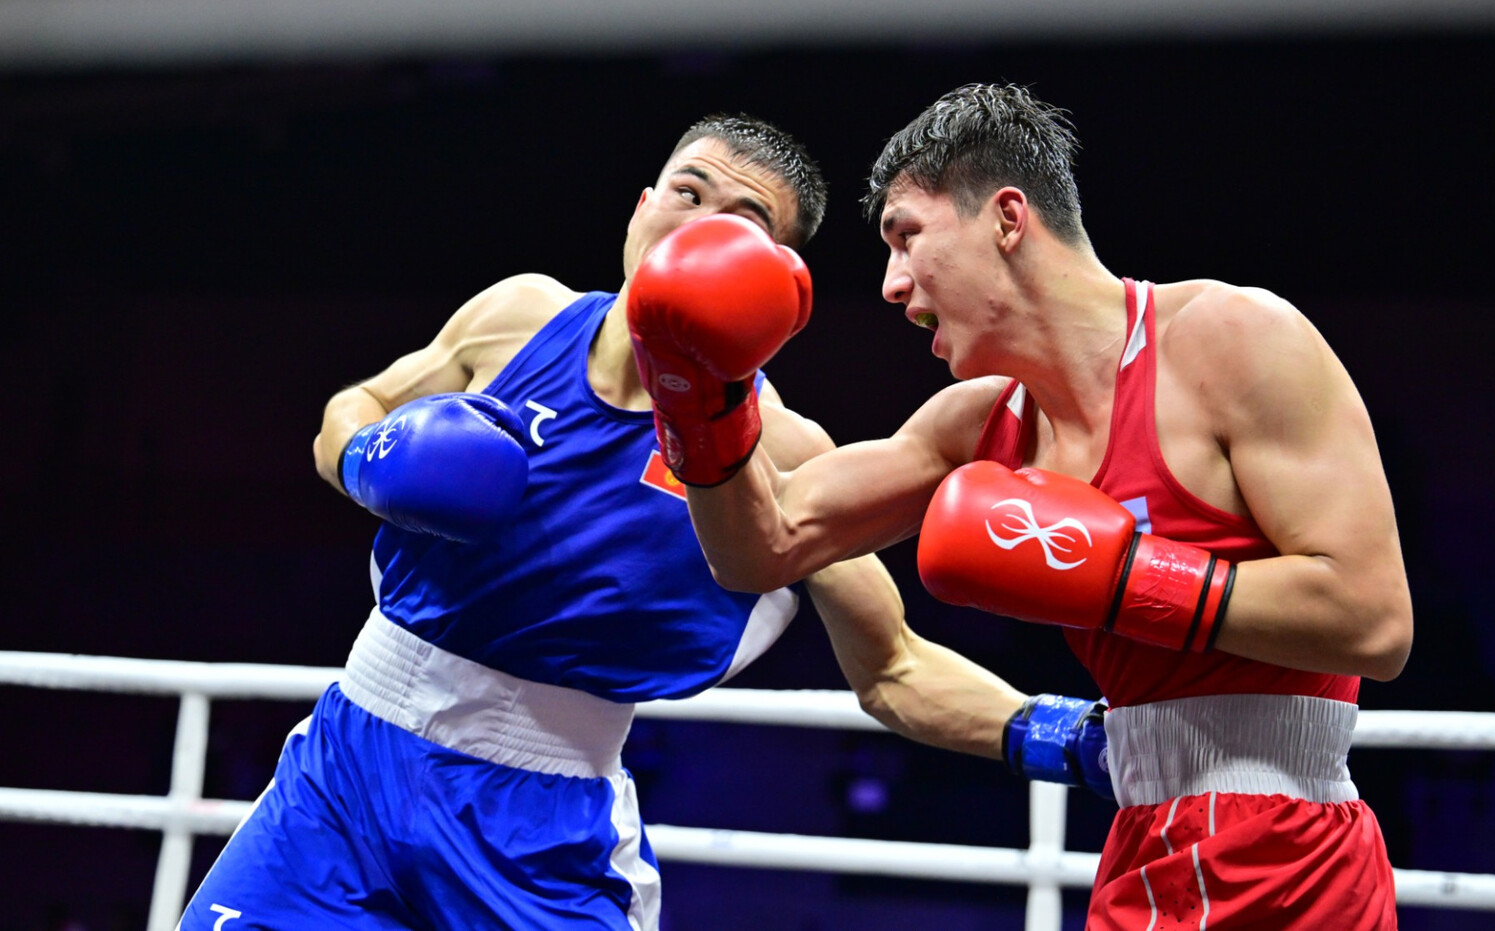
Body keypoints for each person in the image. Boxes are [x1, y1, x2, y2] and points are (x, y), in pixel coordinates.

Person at [177, 112, 1110, 931]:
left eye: (740, 223)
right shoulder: (518, 318)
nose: (697, 226)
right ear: (640, 207)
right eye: (686, 193)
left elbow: (894, 666)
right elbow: (356, 406)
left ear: (780, 285)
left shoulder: (783, 455)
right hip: (345, 768)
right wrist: (368, 458)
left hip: (538, 832)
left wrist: (1065, 734)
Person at [630, 84, 1414, 930]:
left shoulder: (1231, 337)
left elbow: (1374, 624)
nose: (892, 284)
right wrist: (697, 396)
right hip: (1143, 840)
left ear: (1007, 219)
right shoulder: (978, 426)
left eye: (907, 237)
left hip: (1292, 856)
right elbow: (761, 546)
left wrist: (1122, 574)